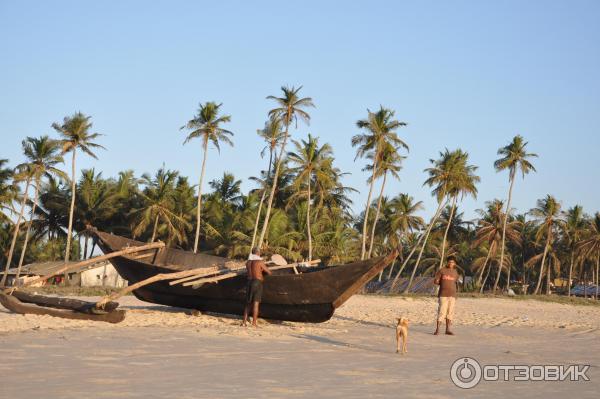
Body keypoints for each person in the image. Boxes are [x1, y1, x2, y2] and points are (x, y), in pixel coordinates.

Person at [241, 247, 272, 327]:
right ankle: (254, 323)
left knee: (248, 303)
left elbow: (252, 271)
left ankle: (244, 322)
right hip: (257, 282)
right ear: (258, 253)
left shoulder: (248, 262)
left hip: (249, 282)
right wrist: (263, 270)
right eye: (259, 252)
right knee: (255, 303)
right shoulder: (259, 262)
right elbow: (269, 272)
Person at [433, 255, 460, 335]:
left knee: (450, 312)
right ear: (447, 262)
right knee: (442, 312)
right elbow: (436, 281)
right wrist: (437, 281)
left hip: (452, 295)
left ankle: (447, 329)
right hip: (443, 295)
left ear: (454, 263)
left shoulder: (455, 272)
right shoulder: (442, 270)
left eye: (453, 262)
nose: (451, 263)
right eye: (450, 262)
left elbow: (457, 282)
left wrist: (456, 293)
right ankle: (437, 329)